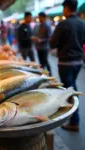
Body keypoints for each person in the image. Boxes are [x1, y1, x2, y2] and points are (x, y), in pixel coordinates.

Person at [50, 0, 85, 131]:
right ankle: (73, 119)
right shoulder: (82, 23)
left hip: (66, 63)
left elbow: (52, 43)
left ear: (66, 8)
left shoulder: (63, 24)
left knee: (70, 91)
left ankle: (74, 121)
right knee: (71, 88)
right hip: (78, 63)